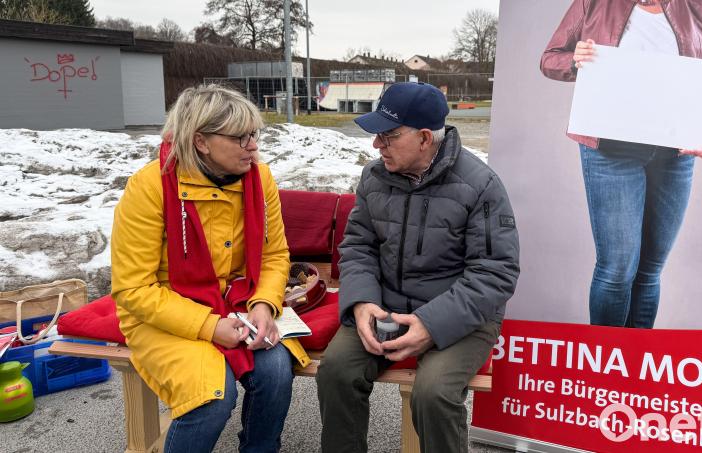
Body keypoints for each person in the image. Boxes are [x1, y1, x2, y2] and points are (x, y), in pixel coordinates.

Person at [315, 82, 520, 453]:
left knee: (433, 393)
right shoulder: (374, 177)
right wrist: (361, 303)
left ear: (425, 138)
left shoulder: (481, 185)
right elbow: (358, 246)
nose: (377, 145)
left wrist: (431, 324)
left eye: (388, 136)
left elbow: (495, 272)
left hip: (460, 315)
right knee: (336, 372)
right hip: (385, 304)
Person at [111, 85, 310, 453]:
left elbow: (274, 255)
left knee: (277, 370)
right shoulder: (150, 187)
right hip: (165, 315)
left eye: (255, 135)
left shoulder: (259, 178)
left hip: (237, 303)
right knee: (212, 395)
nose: (253, 146)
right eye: (240, 138)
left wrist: (264, 306)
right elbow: (133, 290)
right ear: (201, 141)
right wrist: (210, 326)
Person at [540, 0, 702, 328]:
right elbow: (550, 58)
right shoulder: (594, 2)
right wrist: (575, 60)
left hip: (674, 155)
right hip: (609, 152)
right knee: (617, 270)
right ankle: (604, 365)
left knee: (649, 271)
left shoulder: (701, 5)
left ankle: (634, 365)